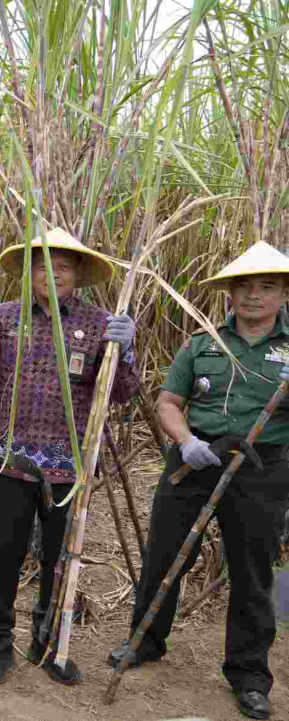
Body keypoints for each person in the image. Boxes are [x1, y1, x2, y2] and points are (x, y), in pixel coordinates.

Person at [107, 241, 289, 720]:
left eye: (267, 287)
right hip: (195, 460)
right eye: (244, 289)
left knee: (252, 570)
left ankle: (249, 675)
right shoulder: (201, 340)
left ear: (283, 293)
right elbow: (169, 402)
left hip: (262, 467)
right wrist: (186, 441)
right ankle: (145, 643)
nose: (254, 297)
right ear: (229, 294)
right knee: (165, 555)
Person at [0, 228, 140, 686]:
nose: (53, 273)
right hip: (12, 462)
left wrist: (127, 350)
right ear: (29, 273)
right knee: (6, 553)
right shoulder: (3, 318)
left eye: (63, 266)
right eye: (43, 265)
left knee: (60, 559)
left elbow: (121, 394)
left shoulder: (100, 324)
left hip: (71, 466)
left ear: (77, 274)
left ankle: (49, 642)